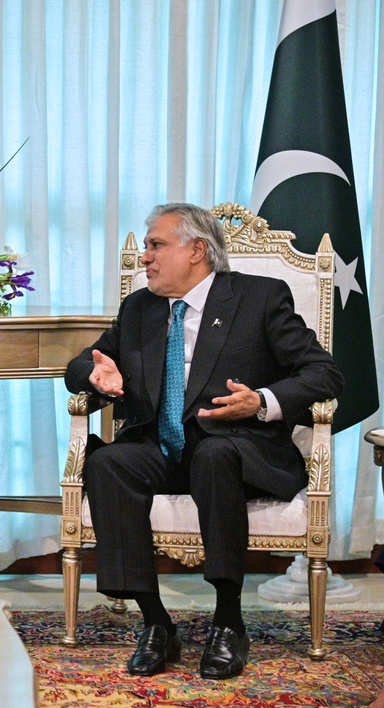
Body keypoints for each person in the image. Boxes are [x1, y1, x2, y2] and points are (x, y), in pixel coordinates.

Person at [65, 203, 343, 680]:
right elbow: (81, 364)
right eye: (146, 247)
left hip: (237, 450)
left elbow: (324, 373)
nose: (145, 257)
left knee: (214, 454)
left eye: (156, 245)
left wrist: (261, 401)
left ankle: (229, 622)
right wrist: (95, 373)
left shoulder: (259, 298)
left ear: (196, 250)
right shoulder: (140, 307)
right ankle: (156, 623)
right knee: (109, 462)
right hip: (163, 448)